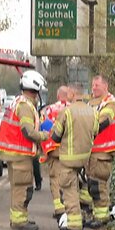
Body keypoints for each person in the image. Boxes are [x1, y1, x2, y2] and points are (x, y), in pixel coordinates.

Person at [0, 70, 49, 230]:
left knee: (17, 187)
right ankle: (20, 221)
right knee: (23, 188)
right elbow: (28, 132)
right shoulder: (25, 106)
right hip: (20, 155)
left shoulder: (18, 102)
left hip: (13, 153)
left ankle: (17, 219)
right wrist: (45, 136)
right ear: (35, 89)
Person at [50, 83, 99, 230]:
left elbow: (56, 136)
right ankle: (85, 211)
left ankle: (74, 223)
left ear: (72, 93)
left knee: (69, 189)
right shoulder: (92, 111)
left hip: (68, 159)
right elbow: (96, 132)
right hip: (85, 157)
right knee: (82, 186)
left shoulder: (66, 112)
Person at [85, 75, 115, 228]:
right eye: (93, 85)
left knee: (98, 185)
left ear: (105, 86)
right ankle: (98, 215)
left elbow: (104, 121)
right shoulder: (94, 103)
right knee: (93, 185)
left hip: (103, 151)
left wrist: (88, 130)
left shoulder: (111, 102)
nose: (94, 88)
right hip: (94, 151)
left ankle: (101, 218)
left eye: (97, 85)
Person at [39, 85, 73, 218]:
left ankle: (59, 209)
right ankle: (71, 206)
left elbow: (43, 128)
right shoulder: (73, 108)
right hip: (70, 149)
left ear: (58, 96)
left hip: (54, 150)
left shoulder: (49, 110)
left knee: (55, 179)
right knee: (70, 177)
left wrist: (45, 149)